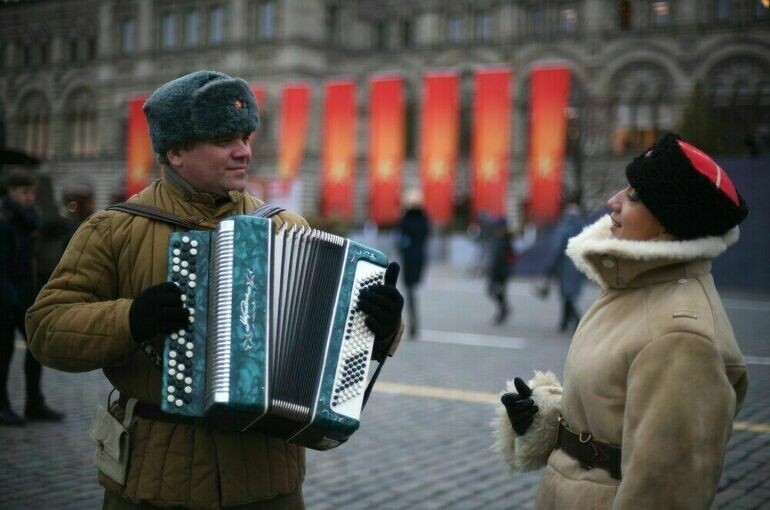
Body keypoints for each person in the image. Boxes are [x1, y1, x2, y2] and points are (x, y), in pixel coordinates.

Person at [26, 70, 404, 510]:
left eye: (246, 136)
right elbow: (45, 329)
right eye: (225, 139)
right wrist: (131, 318)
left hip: (267, 484)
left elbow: (335, 344)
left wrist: (382, 324)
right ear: (176, 150)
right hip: (156, 481)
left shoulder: (286, 228)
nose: (244, 151)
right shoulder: (114, 229)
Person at [494, 133, 749, 509]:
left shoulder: (681, 335)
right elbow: (617, 411)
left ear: (669, 223)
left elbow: (667, 490)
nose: (612, 201)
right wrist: (548, 417)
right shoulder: (634, 288)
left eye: (633, 196)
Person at [0, 169, 64, 426]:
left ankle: (33, 403)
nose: (30, 197)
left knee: (36, 348)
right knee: (3, 354)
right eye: (25, 192)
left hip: (27, 292)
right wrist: (9, 296)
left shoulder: (28, 219)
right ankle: (2, 406)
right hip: (6, 296)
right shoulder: (4, 221)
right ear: (11, 192)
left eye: (32, 192)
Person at [540, 202, 586, 333]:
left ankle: (577, 322)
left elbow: (556, 250)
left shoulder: (564, 229)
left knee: (567, 296)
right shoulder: (583, 227)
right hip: (578, 266)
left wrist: (549, 269)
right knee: (568, 295)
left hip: (565, 267)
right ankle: (564, 322)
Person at [398, 188, 430, 338]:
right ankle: (414, 323)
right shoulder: (424, 219)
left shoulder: (405, 220)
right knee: (413, 290)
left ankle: (413, 323)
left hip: (409, 257)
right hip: (420, 257)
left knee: (410, 290)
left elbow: (401, 240)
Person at [487, 217, 515, 325]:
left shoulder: (502, 239)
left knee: (494, 291)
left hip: (500, 272)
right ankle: (503, 309)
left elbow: (497, 258)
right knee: (497, 292)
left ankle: (503, 310)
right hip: (501, 271)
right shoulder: (501, 238)